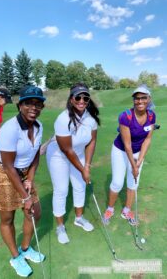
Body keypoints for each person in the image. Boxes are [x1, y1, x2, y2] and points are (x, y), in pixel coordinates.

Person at [0, 85, 46, 277]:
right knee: (8, 219)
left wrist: (30, 178)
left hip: (21, 172)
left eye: (38, 104)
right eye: (29, 102)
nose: (34, 107)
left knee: (35, 213)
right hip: (2, 173)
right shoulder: (9, 129)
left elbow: (36, 153)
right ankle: (15, 257)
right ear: (20, 105)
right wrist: (25, 196)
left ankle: (25, 248)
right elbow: (8, 166)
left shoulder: (39, 126)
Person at [46, 82, 100, 244]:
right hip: (59, 156)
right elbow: (67, 150)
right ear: (71, 99)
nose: (81, 100)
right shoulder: (62, 119)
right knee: (61, 190)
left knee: (80, 186)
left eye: (85, 97)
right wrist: (82, 169)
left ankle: (79, 218)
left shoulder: (91, 120)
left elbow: (91, 142)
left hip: (79, 154)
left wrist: (87, 166)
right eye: (78, 97)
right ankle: (60, 227)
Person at [103, 85, 156, 225]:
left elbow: (148, 139)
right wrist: (134, 166)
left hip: (138, 151)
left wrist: (139, 162)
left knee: (133, 183)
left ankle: (127, 210)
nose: (140, 101)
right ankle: (110, 208)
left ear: (149, 99)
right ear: (133, 100)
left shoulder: (151, 116)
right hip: (121, 150)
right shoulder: (126, 116)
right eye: (137, 98)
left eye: (143, 97)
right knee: (117, 182)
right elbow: (127, 145)